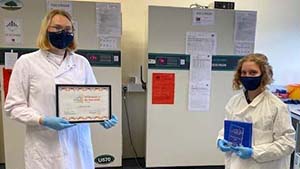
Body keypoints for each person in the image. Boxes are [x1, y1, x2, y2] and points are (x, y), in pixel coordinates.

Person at [4, 9, 118, 169]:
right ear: (45, 31)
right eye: (57, 28)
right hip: (45, 147)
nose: (63, 33)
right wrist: (42, 120)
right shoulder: (27, 63)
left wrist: (102, 114)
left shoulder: (81, 63)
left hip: (77, 145)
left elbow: (93, 98)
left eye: (68, 29)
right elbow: (13, 107)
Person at [216, 53, 295, 169]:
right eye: (244, 73)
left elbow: (287, 143)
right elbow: (227, 128)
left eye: (253, 72)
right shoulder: (234, 102)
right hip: (237, 164)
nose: (247, 76)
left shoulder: (277, 106)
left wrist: (254, 152)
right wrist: (221, 139)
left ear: (263, 75)